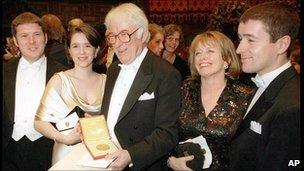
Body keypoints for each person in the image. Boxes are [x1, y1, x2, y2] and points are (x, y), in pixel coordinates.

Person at [102, 3, 182, 170]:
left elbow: (167, 134)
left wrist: (130, 155)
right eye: (112, 36)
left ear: (143, 35)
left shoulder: (166, 74)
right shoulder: (113, 70)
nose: (117, 43)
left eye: (124, 34)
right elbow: (114, 117)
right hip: (107, 161)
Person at [167, 31, 254, 170]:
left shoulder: (245, 96)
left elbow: (252, 148)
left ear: (227, 59)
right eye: (198, 53)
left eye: (210, 51)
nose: (202, 57)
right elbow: (165, 132)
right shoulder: (183, 90)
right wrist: (171, 161)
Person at [230, 2, 300, 170]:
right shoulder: (259, 83)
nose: (239, 49)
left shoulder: (292, 107)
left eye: (251, 40)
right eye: (240, 39)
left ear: (282, 44)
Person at [34, 23, 106, 165]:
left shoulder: (107, 81)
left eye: (87, 45)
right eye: (76, 46)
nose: (82, 52)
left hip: (100, 155)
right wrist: (64, 138)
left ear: (96, 49)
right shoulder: (59, 80)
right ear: (69, 50)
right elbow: (39, 122)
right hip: (66, 154)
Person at [3, 12, 66, 170]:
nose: (31, 41)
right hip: (7, 150)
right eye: (24, 36)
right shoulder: (4, 71)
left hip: (48, 148)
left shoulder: (63, 74)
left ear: (45, 37)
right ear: (15, 41)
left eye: (36, 34)